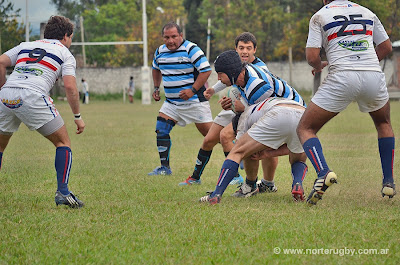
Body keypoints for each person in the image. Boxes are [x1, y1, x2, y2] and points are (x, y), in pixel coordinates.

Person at [297, 0, 395, 206]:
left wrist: (319, 65)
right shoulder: (367, 12)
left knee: (306, 128)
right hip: (373, 76)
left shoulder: (320, 16)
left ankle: (323, 171)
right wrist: (366, 63)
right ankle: (389, 182)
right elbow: (386, 47)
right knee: (384, 124)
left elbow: (312, 56)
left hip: (342, 77)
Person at [0, 15, 85, 208]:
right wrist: (77, 117)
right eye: (70, 38)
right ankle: (63, 193)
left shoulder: (25, 45)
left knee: (0, 147)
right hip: (32, 95)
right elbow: (70, 87)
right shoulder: (64, 53)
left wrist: (3, 88)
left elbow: (1, 62)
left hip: (6, 94)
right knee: (63, 142)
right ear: (65, 36)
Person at [199, 50, 306, 200]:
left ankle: (237, 189)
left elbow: (255, 114)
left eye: (220, 74)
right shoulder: (246, 71)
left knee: (241, 148)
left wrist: (238, 110)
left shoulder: (257, 88)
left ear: (232, 72)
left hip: (282, 112)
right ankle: (297, 184)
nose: (218, 78)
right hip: (301, 114)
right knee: (297, 155)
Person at [179, 32, 273, 187]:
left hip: (252, 110)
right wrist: (213, 90)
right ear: (235, 49)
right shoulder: (234, 63)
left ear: (254, 50)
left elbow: (263, 99)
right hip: (234, 107)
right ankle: (195, 177)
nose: (244, 51)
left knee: (228, 137)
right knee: (209, 139)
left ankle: (250, 180)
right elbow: (227, 78)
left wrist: (241, 105)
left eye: (248, 48)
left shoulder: (261, 69)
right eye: (241, 48)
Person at [199, 96, 308, 204]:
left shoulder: (243, 118)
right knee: (299, 158)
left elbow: (242, 150)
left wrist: (249, 152)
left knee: (236, 152)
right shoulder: (263, 103)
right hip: (301, 111)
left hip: (277, 114)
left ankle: (216, 194)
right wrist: (266, 153)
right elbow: (291, 148)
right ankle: (297, 184)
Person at [148, 21, 213, 175]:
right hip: (171, 103)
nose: (170, 41)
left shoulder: (192, 49)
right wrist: (156, 87)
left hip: (195, 102)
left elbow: (206, 71)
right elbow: (156, 69)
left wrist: (192, 90)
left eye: (174, 36)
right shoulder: (159, 52)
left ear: (181, 35)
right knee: (161, 128)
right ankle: (165, 168)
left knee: (212, 136)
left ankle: (239, 159)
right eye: (166, 37)